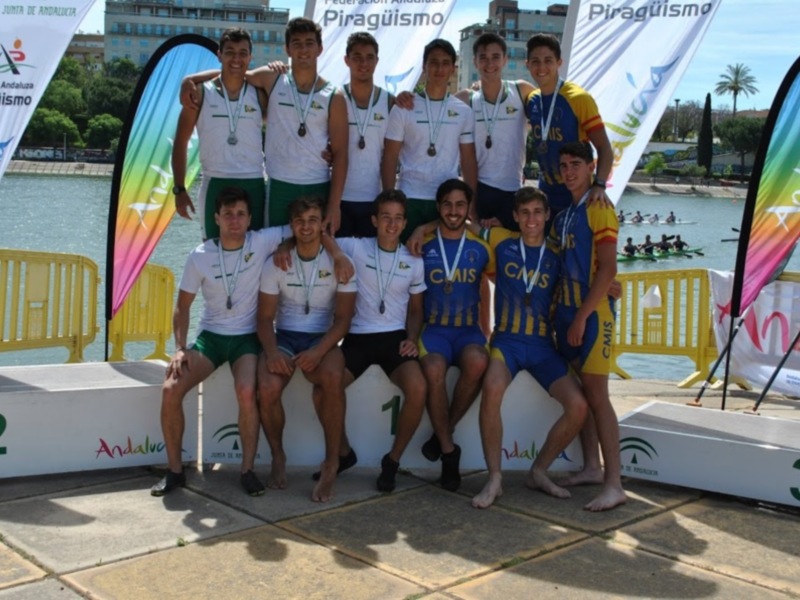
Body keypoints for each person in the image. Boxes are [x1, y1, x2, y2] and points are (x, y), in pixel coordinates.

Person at [151, 186, 289, 497]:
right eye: (228, 215)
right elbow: (182, 306)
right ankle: (174, 472)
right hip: (211, 336)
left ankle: (247, 470)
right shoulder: (199, 256)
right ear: (216, 218)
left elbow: (303, 227)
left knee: (246, 390)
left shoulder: (262, 240)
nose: (235, 220)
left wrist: (287, 246)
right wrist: (180, 348)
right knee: (171, 388)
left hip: (246, 338)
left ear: (250, 218)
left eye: (241, 214)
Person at [471, 187, 589, 509]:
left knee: (578, 405)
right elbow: (460, 224)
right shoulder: (500, 241)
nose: (531, 219)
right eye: (525, 213)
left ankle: (538, 470)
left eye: (537, 212)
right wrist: (424, 231)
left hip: (542, 346)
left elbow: (584, 279)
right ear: (515, 216)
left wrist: (611, 285)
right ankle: (494, 477)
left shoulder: (557, 255)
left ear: (547, 215)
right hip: (506, 341)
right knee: (493, 386)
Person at [183, 18, 349, 233]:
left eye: (309, 43)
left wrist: (334, 205)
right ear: (287, 49)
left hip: (318, 184)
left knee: (316, 255)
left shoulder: (333, 95)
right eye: (296, 43)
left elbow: (341, 153)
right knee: (274, 256)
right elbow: (235, 72)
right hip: (278, 185)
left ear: (320, 48)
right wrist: (190, 79)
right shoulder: (272, 78)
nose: (303, 49)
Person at [256, 195, 357, 503]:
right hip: (285, 337)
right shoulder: (277, 262)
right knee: (268, 387)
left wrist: (318, 351)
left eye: (313, 220)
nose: (306, 227)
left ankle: (331, 464)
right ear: (292, 226)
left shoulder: (340, 262)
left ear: (321, 224)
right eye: (300, 221)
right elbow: (264, 318)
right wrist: (273, 353)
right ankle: (278, 455)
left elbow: (343, 320)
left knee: (331, 379)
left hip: (321, 338)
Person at [334, 190, 428, 491]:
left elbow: (416, 311)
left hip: (394, 339)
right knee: (325, 386)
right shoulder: (355, 246)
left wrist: (413, 338)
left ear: (404, 223)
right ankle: (344, 453)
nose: (392, 224)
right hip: (358, 336)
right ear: (374, 220)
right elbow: (321, 235)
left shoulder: (413, 259)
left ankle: (393, 460)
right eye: (385, 217)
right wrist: (336, 254)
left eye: (398, 218)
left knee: (419, 388)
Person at [550, 142, 626, 511]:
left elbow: (609, 269)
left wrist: (581, 316)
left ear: (592, 166)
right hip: (566, 315)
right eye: (563, 165)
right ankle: (592, 467)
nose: (568, 171)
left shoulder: (600, 208)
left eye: (576, 164)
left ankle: (615, 483)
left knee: (598, 397)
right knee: (584, 391)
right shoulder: (564, 215)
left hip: (593, 317)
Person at [407, 179, 494, 492]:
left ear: (468, 208)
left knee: (478, 363)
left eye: (460, 205)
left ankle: (442, 432)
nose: (453, 211)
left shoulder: (481, 246)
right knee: (433, 369)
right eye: (447, 204)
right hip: (434, 330)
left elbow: (490, 284)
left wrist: (488, 330)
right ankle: (448, 451)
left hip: (468, 330)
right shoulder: (422, 244)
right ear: (438, 207)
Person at [172, 27, 268, 239]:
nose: (236, 58)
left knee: (254, 256)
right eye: (230, 52)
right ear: (219, 54)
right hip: (215, 181)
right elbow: (180, 142)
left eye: (243, 53)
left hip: (253, 181)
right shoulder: (199, 93)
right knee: (212, 254)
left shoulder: (259, 95)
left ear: (250, 57)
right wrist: (179, 189)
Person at [381, 39, 477, 241]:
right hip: (409, 197)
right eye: (433, 62)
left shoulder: (463, 111)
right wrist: (389, 200)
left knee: (439, 265)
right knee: (407, 261)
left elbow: (468, 160)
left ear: (453, 68)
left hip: (445, 201)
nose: (439, 68)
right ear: (424, 67)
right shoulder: (404, 107)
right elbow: (390, 156)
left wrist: (471, 203)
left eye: (445, 63)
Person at [525, 33, 613, 218]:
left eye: (548, 60)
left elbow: (604, 147)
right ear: (528, 65)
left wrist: (600, 184)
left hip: (577, 195)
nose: (541, 67)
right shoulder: (532, 100)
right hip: (546, 195)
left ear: (559, 62)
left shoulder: (578, 98)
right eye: (535, 61)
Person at [337, 32, 395, 238]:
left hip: (374, 199)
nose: (364, 63)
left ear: (377, 61)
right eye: (357, 57)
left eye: (370, 57)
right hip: (340, 198)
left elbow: (393, 153)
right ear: (347, 60)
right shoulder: (335, 98)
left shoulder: (390, 101)